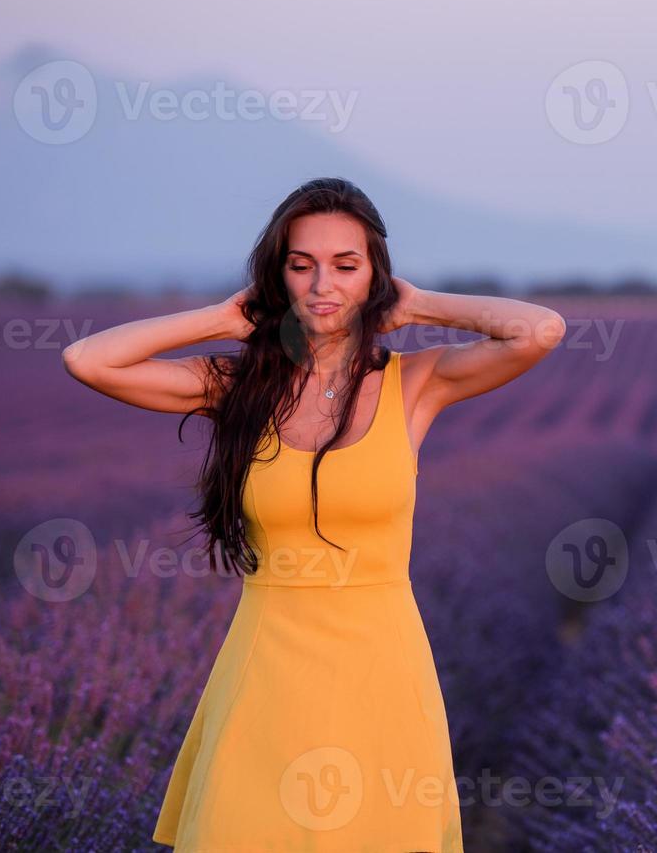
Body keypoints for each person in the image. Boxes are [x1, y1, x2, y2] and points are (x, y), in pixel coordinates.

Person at [61, 177, 566, 851]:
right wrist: (221, 318)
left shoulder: (414, 384)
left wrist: (417, 305)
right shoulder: (234, 384)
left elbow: (540, 330)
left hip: (382, 675)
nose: (322, 283)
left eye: (345, 265)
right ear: (278, 277)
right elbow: (87, 360)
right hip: (265, 677)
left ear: (374, 278)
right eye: (301, 265)